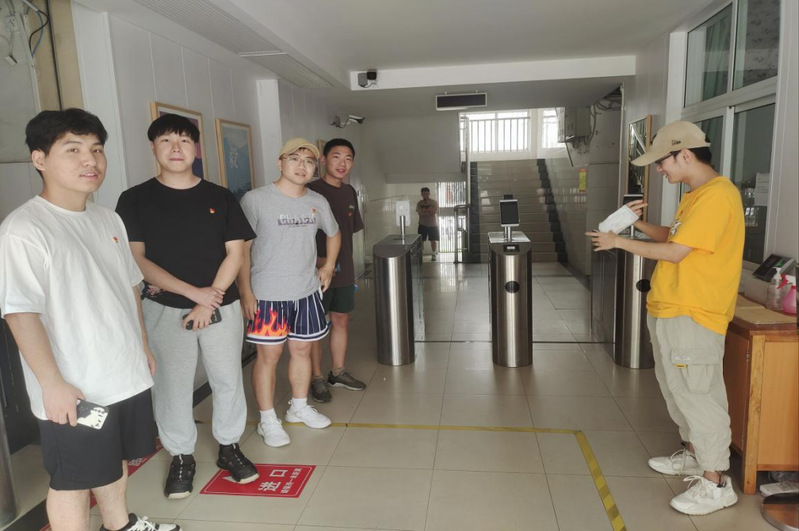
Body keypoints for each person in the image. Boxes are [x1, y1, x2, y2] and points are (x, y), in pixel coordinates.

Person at [0, 109, 179, 531]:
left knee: (114, 461)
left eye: (97, 150)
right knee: (73, 481)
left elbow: (129, 287)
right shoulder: (24, 229)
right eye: (73, 149)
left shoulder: (107, 219)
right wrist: (52, 384)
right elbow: (20, 313)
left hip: (122, 373)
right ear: (39, 159)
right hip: (74, 387)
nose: (90, 160)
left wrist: (141, 344)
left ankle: (119, 525)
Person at [586, 121, 744, 516]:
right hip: (671, 309)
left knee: (699, 396)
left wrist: (618, 241)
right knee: (677, 390)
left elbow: (676, 253)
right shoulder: (695, 196)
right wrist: (634, 223)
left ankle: (716, 482)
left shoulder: (717, 197)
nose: (659, 169)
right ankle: (693, 455)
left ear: (685, 154)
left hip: (693, 312)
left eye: (662, 162)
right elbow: (674, 238)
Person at [115, 114, 258, 500]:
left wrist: (210, 298)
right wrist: (195, 294)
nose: (175, 148)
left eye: (183, 140)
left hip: (221, 306)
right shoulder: (134, 199)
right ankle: (181, 455)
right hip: (165, 308)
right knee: (171, 385)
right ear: (153, 148)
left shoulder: (220, 197)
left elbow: (236, 252)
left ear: (196, 148)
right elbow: (137, 260)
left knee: (227, 378)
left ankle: (229, 447)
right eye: (166, 140)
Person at [237, 138, 341, 447]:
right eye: (294, 158)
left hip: (306, 291)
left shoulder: (317, 201)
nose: (301, 166)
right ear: (280, 162)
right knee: (268, 357)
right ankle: (268, 419)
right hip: (267, 294)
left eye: (308, 161)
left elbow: (334, 234)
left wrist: (328, 266)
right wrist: (245, 291)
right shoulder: (256, 200)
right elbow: (242, 249)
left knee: (302, 351)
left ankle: (298, 407)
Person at [307, 139, 367, 403]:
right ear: (323, 160)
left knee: (341, 320)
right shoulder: (310, 190)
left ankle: (338, 372)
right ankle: (317, 377)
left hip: (343, 270)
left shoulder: (349, 192)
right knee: (315, 326)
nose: (342, 163)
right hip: (314, 271)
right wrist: (320, 262)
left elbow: (348, 231)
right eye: (336, 156)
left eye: (348, 158)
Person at [416, 187, 439, 260]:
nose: (425, 195)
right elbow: (420, 213)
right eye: (423, 194)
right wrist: (429, 210)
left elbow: (433, 212)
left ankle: (434, 254)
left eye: (426, 193)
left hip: (432, 225)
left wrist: (424, 211)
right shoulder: (419, 203)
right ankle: (420, 255)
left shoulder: (434, 202)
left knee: (433, 241)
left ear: (429, 193)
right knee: (421, 241)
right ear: (421, 194)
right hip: (422, 225)